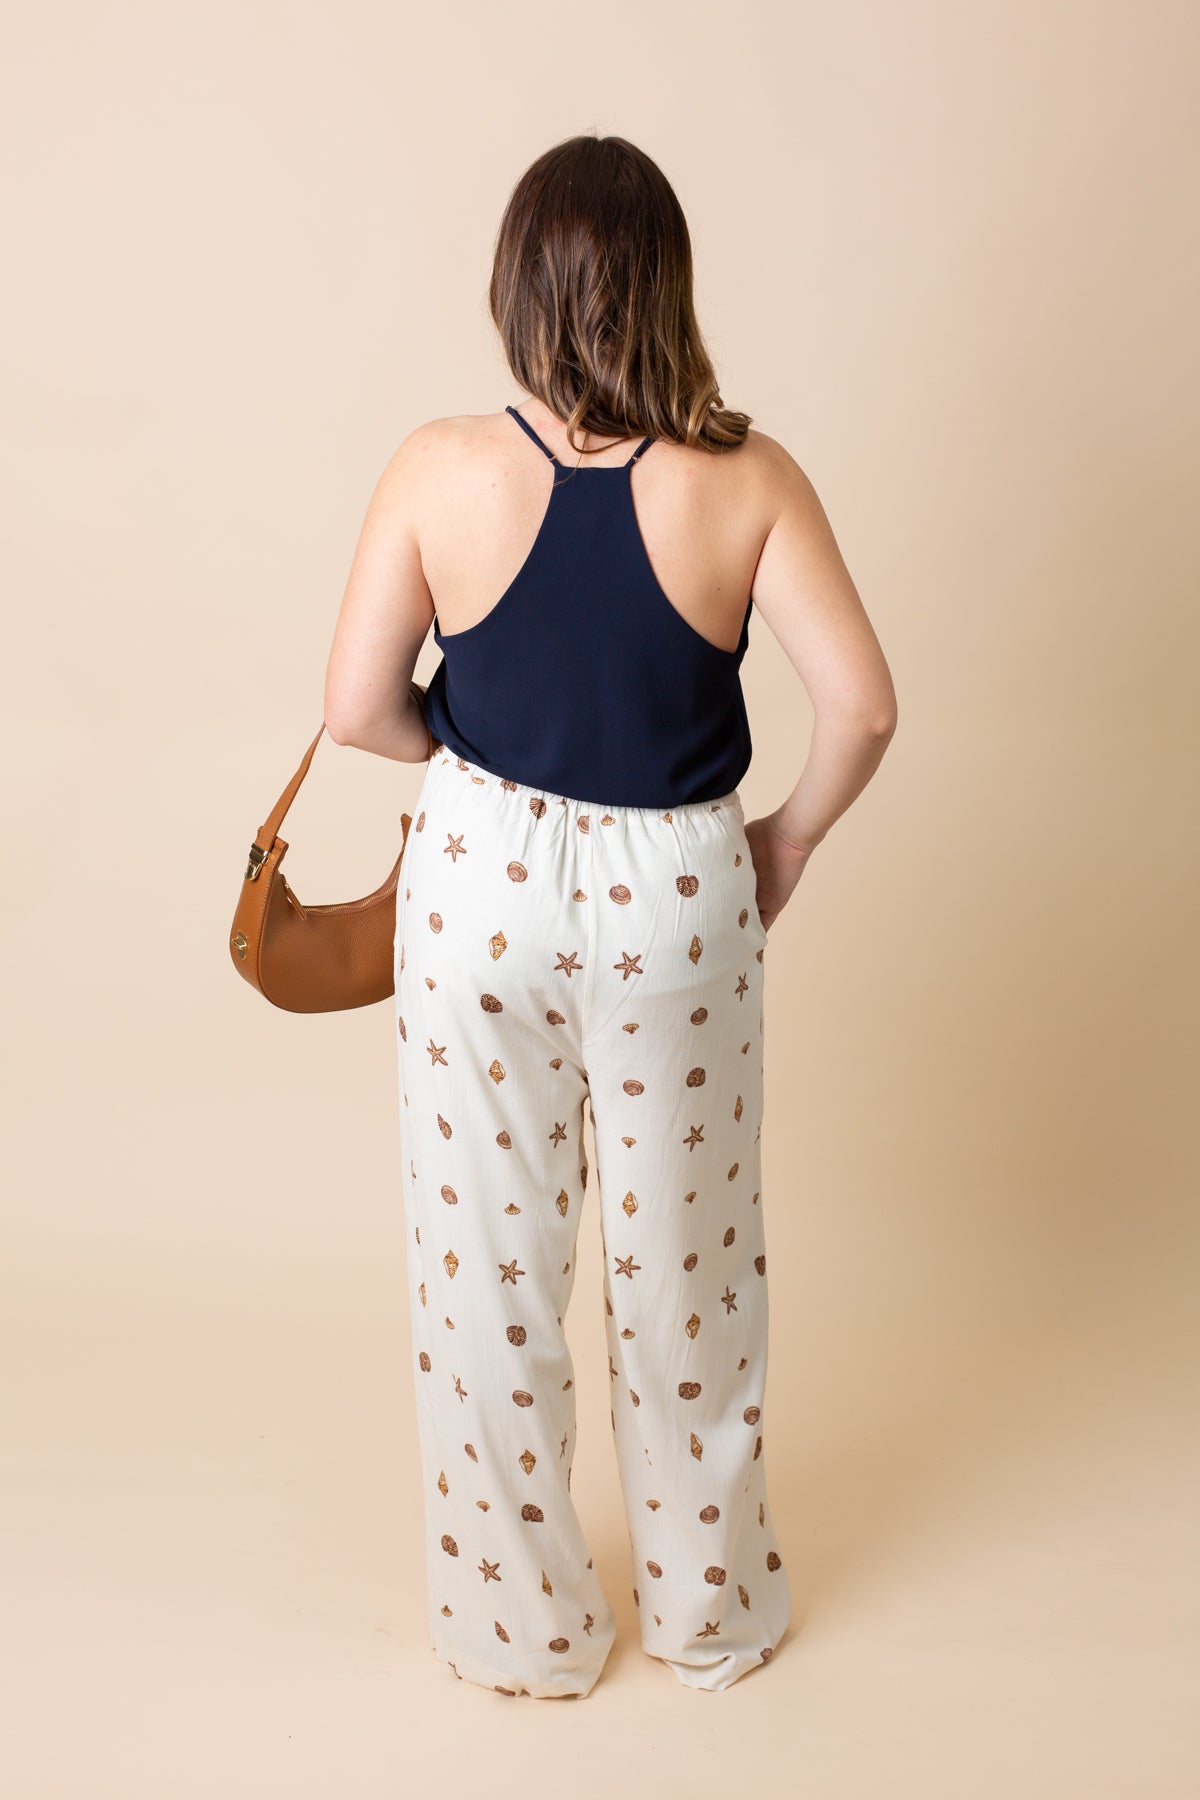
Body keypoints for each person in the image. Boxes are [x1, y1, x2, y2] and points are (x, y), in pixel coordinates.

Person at [323, 132, 898, 1700]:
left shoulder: (437, 466)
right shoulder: (751, 479)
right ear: (668, 285)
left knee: (485, 1270)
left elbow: (358, 708)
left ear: (517, 286)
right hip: (680, 897)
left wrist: (485, 778)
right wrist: (785, 842)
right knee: (686, 1268)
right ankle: (710, 1615)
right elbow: (861, 707)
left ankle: (525, 1633)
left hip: (478, 889)